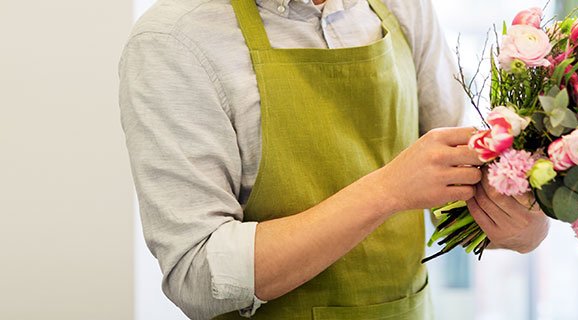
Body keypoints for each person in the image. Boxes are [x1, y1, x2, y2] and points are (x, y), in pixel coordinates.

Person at [119, 0, 550, 318]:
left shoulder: (403, 8)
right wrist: (386, 191)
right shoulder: (173, 40)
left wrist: (519, 228)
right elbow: (197, 276)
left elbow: (454, 193)